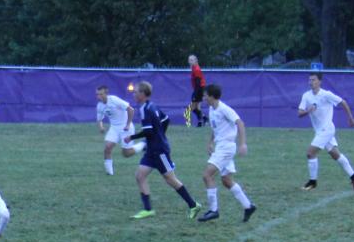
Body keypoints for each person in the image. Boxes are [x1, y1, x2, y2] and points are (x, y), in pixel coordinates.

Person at [128, 81, 200, 220]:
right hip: (152, 150)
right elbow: (166, 120)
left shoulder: (145, 109)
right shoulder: (152, 105)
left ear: (143, 94)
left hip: (159, 151)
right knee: (140, 176)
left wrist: (132, 137)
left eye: (136, 92)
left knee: (170, 179)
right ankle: (148, 209)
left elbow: (148, 131)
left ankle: (193, 205)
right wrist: (159, 136)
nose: (134, 94)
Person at [197, 84, 257, 222]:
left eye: (205, 95)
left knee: (207, 175)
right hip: (221, 147)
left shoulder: (224, 109)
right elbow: (215, 128)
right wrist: (210, 142)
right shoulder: (212, 109)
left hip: (226, 148)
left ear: (212, 96)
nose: (204, 97)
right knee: (227, 180)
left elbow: (240, 123)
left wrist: (242, 144)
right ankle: (248, 206)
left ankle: (213, 210)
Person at [298, 72, 354, 191]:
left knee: (310, 153)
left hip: (327, 129)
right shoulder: (306, 96)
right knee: (335, 154)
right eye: (310, 80)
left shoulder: (326, 94)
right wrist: (308, 110)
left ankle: (312, 182)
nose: (311, 82)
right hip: (319, 130)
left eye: (314, 80)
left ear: (319, 82)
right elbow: (299, 113)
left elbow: (343, 102)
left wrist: (350, 118)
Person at [94, 84, 141, 175]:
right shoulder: (100, 105)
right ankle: (109, 173)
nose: (98, 96)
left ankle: (143, 144)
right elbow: (99, 119)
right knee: (107, 148)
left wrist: (127, 125)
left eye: (100, 94)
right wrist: (101, 127)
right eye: (97, 94)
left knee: (126, 153)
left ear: (106, 94)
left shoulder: (114, 100)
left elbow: (131, 110)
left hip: (125, 127)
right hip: (114, 128)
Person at [185, 55, 208, 128]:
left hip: (199, 89)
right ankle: (202, 120)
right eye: (189, 60)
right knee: (196, 108)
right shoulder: (194, 68)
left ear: (196, 61)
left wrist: (196, 93)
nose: (190, 61)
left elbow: (198, 82)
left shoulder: (197, 69)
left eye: (191, 60)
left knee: (191, 108)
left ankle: (202, 119)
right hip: (199, 89)